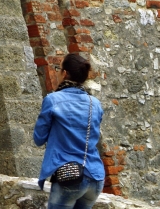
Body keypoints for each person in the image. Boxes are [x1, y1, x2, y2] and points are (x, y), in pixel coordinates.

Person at [33, 53, 106, 209]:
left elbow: (39, 138)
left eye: (58, 69)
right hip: (95, 176)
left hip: (69, 175)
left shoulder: (53, 99)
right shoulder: (95, 103)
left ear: (64, 73)